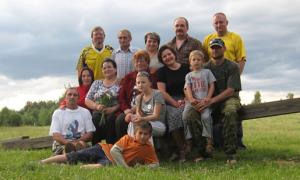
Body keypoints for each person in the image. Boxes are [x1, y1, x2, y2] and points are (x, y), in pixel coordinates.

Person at [191, 38, 242, 164]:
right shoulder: (204, 67)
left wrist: (211, 101)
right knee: (192, 113)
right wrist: (197, 102)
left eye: (218, 47)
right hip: (208, 100)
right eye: (213, 47)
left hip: (229, 99)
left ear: (224, 49)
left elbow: (231, 90)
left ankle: (230, 153)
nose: (215, 50)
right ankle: (202, 151)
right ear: (210, 50)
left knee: (230, 111)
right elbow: (194, 85)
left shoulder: (232, 66)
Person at [203, 12, 247, 149]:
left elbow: (241, 59)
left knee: (231, 110)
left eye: (221, 22)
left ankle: (235, 144)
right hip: (212, 88)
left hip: (229, 83)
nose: (218, 25)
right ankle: (208, 146)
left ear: (226, 22)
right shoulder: (208, 39)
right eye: (216, 23)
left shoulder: (236, 38)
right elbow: (204, 60)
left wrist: (233, 79)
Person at [41, 121, 159, 168]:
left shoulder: (149, 148)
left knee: (98, 167)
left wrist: (144, 167)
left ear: (149, 135)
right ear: (135, 133)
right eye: (140, 133)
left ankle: (70, 167)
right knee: (75, 155)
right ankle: (42, 162)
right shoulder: (128, 138)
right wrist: (126, 168)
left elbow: (155, 164)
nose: (143, 136)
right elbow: (114, 151)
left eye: (146, 134)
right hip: (103, 150)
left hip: (111, 162)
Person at [157, 45, 191, 162]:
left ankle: (190, 147)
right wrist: (174, 103)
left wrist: (187, 99)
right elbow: (162, 91)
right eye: (164, 56)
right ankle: (182, 149)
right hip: (170, 100)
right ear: (162, 60)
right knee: (173, 115)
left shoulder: (186, 68)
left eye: (169, 54)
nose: (167, 57)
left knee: (187, 114)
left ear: (174, 54)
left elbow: (191, 85)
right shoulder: (161, 72)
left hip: (188, 97)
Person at [115, 50, 157, 140]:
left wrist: (137, 109)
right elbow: (121, 97)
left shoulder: (152, 77)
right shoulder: (129, 77)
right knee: (120, 120)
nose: (139, 63)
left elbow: (153, 95)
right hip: (129, 109)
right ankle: (122, 146)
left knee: (135, 121)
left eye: (142, 60)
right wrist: (127, 110)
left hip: (145, 110)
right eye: (136, 61)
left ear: (147, 62)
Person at [182, 50, 216, 162]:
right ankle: (188, 141)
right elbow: (187, 88)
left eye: (199, 59)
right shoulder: (188, 75)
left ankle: (209, 142)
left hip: (204, 102)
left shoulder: (207, 72)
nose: (196, 62)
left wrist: (208, 98)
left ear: (203, 61)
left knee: (206, 117)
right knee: (185, 116)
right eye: (193, 60)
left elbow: (212, 86)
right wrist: (191, 99)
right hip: (193, 102)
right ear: (190, 62)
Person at [49, 87, 96, 155]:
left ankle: (70, 155)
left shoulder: (85, 112)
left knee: (82, 145)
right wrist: (69, 143)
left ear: (78, 98)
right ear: (65, 98)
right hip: (62, 143)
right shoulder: (58, 113)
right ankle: (69, 153)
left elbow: (90, 134)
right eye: (69, 94)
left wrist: (76, 142)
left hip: (80, 141)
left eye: (75, 95)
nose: (72, 97)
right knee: (67, 147)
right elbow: (56, 135)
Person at [85, 58, 120, 145]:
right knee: (95, 117)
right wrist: (96, 106)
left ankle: (110, 147)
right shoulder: (97, 83)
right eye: (104, 68)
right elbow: (87, 99)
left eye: (109, 67)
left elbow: (124, 100)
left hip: (114, 111)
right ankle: (96, 147)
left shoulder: (120, 82)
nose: (106, 69)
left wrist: (113, 108)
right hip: (99, 111)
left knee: (111, 119)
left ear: (115, 69)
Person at [126, 71, 166, 139]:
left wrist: (141, 119)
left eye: (143, 82)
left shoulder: (157, 94)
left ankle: (134, 146)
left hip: (158, 124)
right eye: (138, 83)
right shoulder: (138, 98)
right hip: (144, 123)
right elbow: (138, 116)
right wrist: (131, 116)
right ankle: (134, 146)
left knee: (142, 126)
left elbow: (156, 116)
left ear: (150, 83)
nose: (140, 85)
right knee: (133, 123)